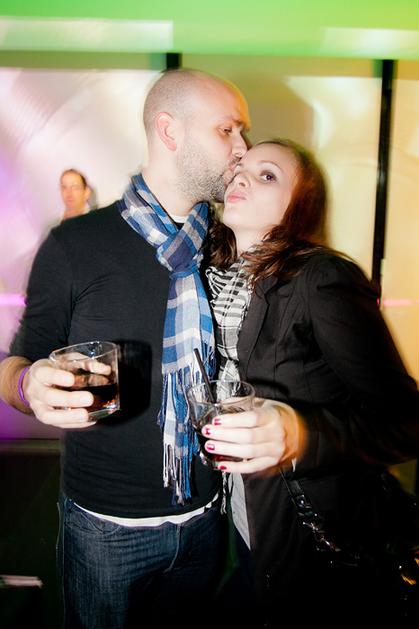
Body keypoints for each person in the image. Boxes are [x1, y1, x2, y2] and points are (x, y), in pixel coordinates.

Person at [0, 68, 250, 628]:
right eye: (227, 130)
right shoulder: (75, 244)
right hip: (106, 528)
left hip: (206, 516)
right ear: (170, 130)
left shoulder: (227, 246)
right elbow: (15, 361)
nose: (242, 147)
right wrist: (26, 383)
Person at [201, 138, 419, 625]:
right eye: (242, 168)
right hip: (245, 519)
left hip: (318, 537)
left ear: (299, 205)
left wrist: (300, 434)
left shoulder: (320, 278)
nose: (241, 177)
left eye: (268, 175)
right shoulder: (210, 278)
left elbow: (406, 422)